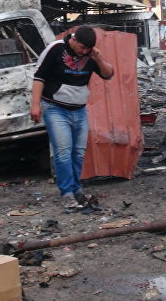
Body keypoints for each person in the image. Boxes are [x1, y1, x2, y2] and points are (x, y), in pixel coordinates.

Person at [29, 25, 115, 209]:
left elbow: (108, 74)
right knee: (63, 152)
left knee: (78, 152)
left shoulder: (90, 55)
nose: (83, 52)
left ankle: (77, 189)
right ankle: (67, 193)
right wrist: (35, 105)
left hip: (80, 109)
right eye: (81, 47)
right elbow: (39, 77)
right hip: (55, 108)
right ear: (74, 40)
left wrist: (97, 58)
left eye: (87, 49)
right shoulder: (56, 49)